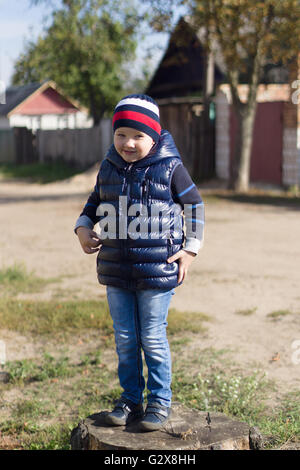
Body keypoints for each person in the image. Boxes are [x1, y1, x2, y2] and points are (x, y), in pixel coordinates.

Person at [74, 94, 204, 432]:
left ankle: (159, 403)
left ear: (155, 136)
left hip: (158, 271)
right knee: (125, 338)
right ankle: (130, 400)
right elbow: (93, 203)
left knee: (152, 337)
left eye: (138, 135)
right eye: (121, 134)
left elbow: (195, 206)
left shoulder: (170, 167)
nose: (128, 143)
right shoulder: (108, 166)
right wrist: (82, 227)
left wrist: (190, 250)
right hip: (116, 269)